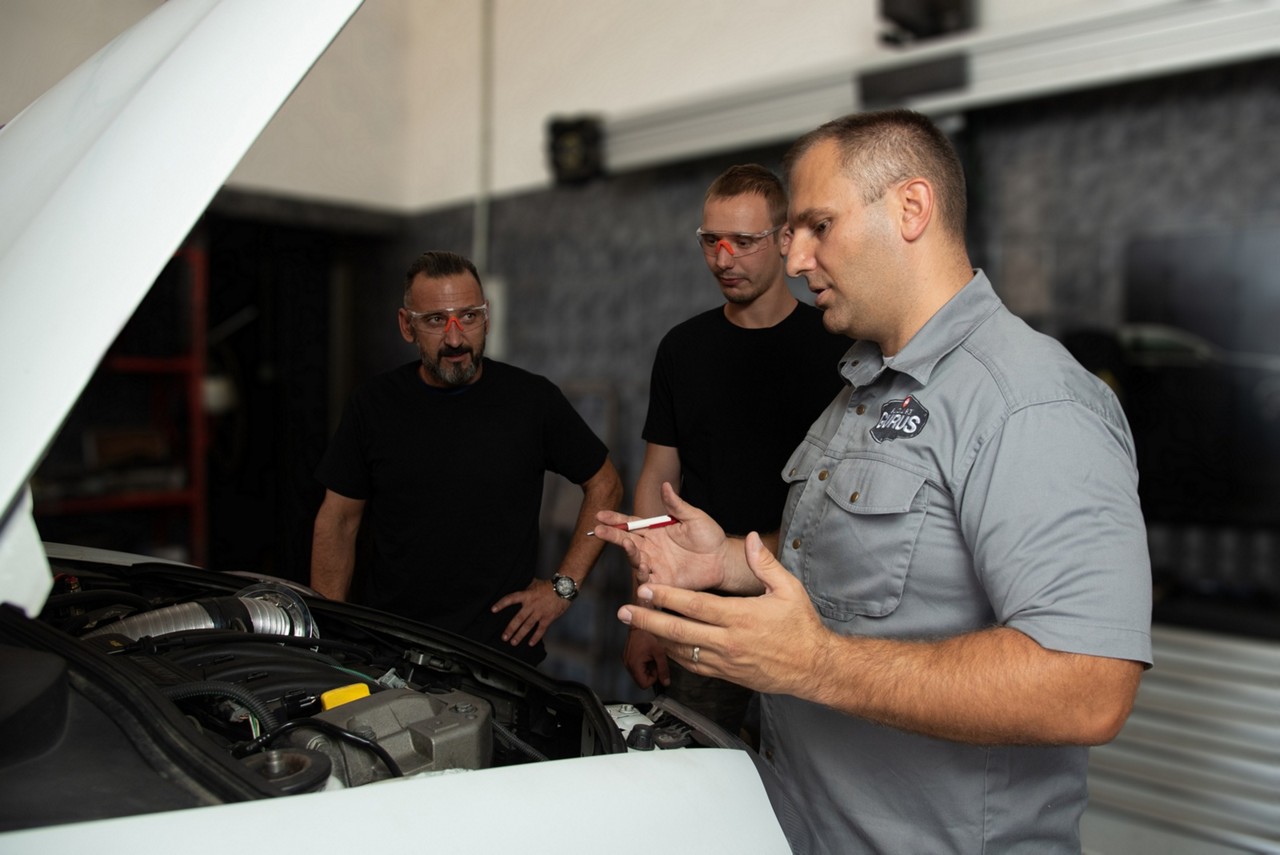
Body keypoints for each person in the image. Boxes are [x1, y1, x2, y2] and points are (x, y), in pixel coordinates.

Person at [594, 109, 1152, 854]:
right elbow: (854, 569)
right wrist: (725, 560)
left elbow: (1089, 684)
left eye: (817, 225)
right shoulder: (863, 388)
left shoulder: (1029, 401)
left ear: (911, 209)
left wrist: (816, 665)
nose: (794, 259)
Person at [311, 250, 622, 666]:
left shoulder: (532, 400)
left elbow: (605, 484)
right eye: (436, 320)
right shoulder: (373, 406)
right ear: (408, 326)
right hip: (392, 650)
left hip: (500, 654)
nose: (456, 339)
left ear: (486, 318)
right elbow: (338, 520)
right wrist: (326, 638)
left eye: (469, 317)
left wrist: (562, 588)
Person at [626, 164, 849, 735]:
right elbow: (658, 479)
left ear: (783, 241)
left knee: (805, 774)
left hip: (805, 608)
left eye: (743, 242)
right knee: (699, 769)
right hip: (701, 608)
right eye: (710, 242)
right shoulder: (683, 349)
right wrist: (647, 610)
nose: (724, 259)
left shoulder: (839, 348)